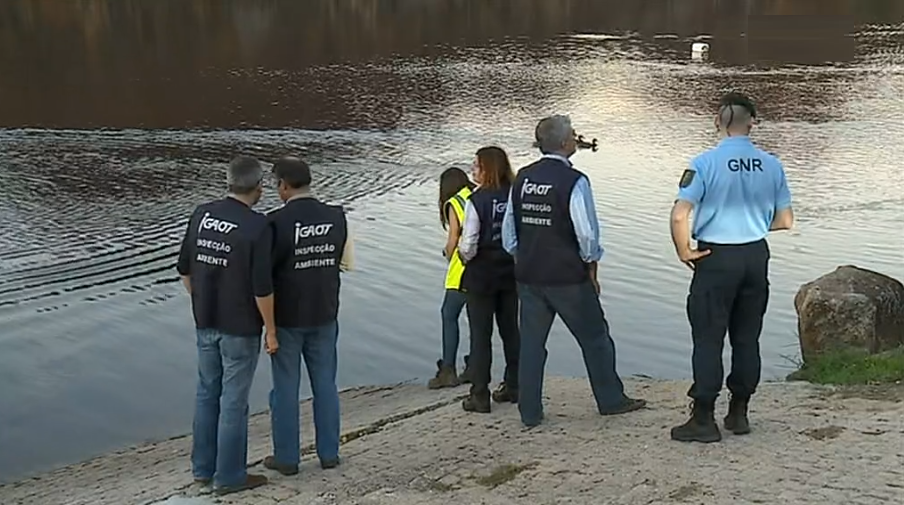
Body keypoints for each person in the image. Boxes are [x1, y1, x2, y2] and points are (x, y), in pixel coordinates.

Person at [503, 115, 647, 428]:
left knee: (531, 345)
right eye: (573, 136)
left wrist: (522, 257)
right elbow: (586, 233)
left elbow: (509, 232)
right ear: (566, 143)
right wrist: (591, 265)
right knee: (595, 338)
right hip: (568, 276)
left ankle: (529, 412)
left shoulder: (523, 177)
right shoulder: (574, 181)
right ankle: (610, 400)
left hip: (529, 275)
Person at [669, 92, 793, 443]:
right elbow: (785, 220)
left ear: (717, 122)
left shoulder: (704, 163)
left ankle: (704, 418)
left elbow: (680, 214)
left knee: (708, 337)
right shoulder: (772, 164)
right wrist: (751, 225)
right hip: (755, 255)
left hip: (715, 256)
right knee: (746, 336)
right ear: (753, 122)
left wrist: (684, 251)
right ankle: (739, 413)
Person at [176, 156, 277, 495]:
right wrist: (272, 329)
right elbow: (262, 286)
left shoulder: (202, 213)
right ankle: (230, 476)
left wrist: (200, 301)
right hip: (241, 326)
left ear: (229, 181)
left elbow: (184, 269)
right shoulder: (257, 226)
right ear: (259, 186)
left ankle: (202, 470)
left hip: (205, 320)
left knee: (206, 394)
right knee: (234, 401)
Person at [263, 156, 352, 474]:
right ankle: (329, 454)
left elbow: (265, 277)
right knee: (325, 385)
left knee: (285, 389)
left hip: (288, 317)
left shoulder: (274, 222)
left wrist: (268, 325)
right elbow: (343, 260)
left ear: (283, 185)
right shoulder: (336, 216)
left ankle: (287, 458)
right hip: (326, 312)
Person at [458, 146, 520, 413]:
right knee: (511, 332)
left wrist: (462, 256)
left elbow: (469, 243)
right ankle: (515, 385)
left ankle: (479, 394)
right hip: (511, 273)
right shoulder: (515, 194)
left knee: (480, 336)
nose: (473, 170)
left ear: (488, 169)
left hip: (481, 275)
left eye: (476, 166)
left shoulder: (477, 200)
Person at [428, 167, 476, 389]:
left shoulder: (454, 203)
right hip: (487, 268)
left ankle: (448, 369)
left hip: (462, 271)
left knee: (449, 315)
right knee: (477, 319)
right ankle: (476, 365)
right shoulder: (477, 194)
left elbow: (453, 240)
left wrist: (447, 254)